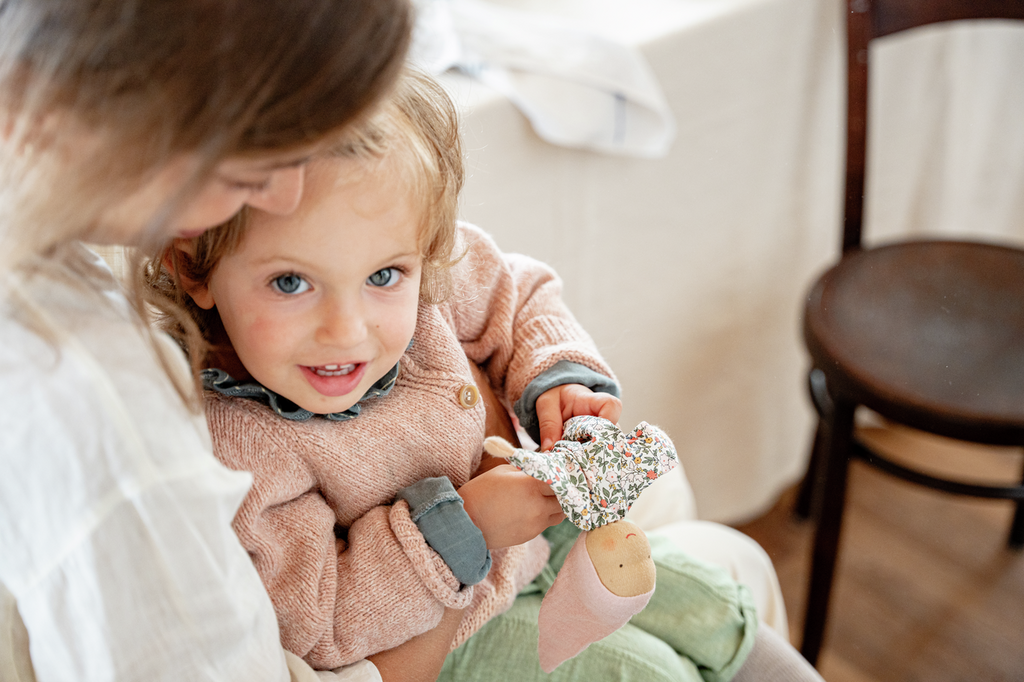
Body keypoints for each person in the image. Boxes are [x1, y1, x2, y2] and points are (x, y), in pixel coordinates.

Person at [147, 70, 825, 682]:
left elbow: (518, 297)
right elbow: (318, 621)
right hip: (457, 632)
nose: (348, 329)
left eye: (385, 276)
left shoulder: (421, 259)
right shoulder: (243, 448)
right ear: (195, 270)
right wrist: (464, 527)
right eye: (290, 282)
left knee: (708, 602)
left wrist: (556, 375)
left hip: (543, 535)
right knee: (643, 671)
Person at [0, 1, 424, 680]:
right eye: (261, 150)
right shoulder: (93, 403)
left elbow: (501, 285)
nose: (284, 193)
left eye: (385, 274)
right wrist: (469, 556)